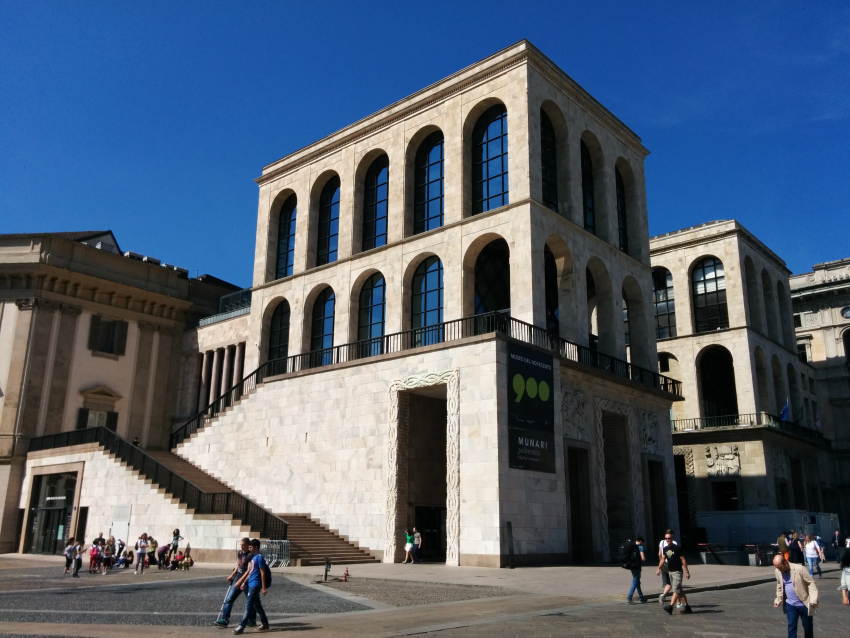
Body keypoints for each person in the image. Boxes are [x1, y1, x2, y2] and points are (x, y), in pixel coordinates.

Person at [773, 553, 818, 638]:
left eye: (779, 567)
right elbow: (779, 585)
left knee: (808, 628)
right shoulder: (777, 571)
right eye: (776, 567)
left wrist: (813, 600)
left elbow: (811, 583)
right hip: (790, 605)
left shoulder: (799, 569)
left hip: (804, 604)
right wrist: (778, 599)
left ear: (785, 562)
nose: (778, 569)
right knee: (791, 627)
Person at [233, 539, 270, 634]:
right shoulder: (253, 558)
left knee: (248, 605)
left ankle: (242, 626)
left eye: (250, 547)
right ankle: (265, 624)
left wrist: (264, 587)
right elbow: (250, 572)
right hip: (251, 584)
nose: (249, 548)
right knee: (257, 605)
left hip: (255, 585)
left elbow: (262, 573)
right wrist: (244, 582)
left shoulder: (259, 558)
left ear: (256, 547)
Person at [216, 539, 253, 628]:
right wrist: (232, 575)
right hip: (238, 578)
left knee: (251, 601)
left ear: (248, 545)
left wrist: (243, 581)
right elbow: (238, 565)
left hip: (246, 580)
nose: (241, 546)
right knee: (229, 599)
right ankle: (225, 619)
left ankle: (252, 620)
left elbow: (250, 570)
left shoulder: (250, 555)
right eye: (241, 545)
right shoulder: (240, 553)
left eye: (243, 545)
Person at [657, 536, 692, 614]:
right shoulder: (665, 548)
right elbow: (663, 559)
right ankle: (687, 607)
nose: (667, 540)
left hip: (678, 572)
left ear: (672, 539)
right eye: (666, 538)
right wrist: (659, 568)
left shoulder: (677, 548)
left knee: (676, 590)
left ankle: (670, 607)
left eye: (669, 538)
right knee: (680, 591)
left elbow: (683, 559)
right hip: (670, 572)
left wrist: (687, 571)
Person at [657, 529, 678, 607]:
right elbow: (672, 555)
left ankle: (663, 595)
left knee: (667, 583)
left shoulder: (661, 542)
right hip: (671, 565)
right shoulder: (674, 543)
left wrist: (660, 565)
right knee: (673, 584)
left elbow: (659, 554)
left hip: (663, 564)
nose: (668, 539)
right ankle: (664, 596)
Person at [625, 536, 647, 604]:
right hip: (637, 566)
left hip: (631, 566)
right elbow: (643, 558)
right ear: (640, 541)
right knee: (635, 582)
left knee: (637, 582)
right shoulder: (640, 547)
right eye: (642, 543)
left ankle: (641, 597)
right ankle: (629, 597)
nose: (642, 544)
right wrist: (644, 560)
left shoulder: (631, 546)